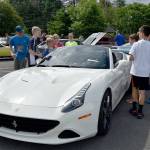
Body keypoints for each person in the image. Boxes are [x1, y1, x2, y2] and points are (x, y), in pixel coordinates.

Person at [129, 25, 150, 119]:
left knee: (134, 90)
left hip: (135, 72)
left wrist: (133, 58)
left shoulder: (136, 44)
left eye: (139, 32)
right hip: (145, 73)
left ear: (141, 33)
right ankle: (140, 112)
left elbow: (131, 58)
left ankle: (134, 109)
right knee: (142, 92)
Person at [126, 33, 139, 104]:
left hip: (136, 69)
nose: (129, 41)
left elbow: (131, 58)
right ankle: (137, 99)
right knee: (139, 87)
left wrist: (128, 58)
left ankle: (134, 99)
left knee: (134, 86)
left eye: (129, 39)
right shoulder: (141, 45)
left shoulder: (135, 46)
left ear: (133, 40)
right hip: (143, 70)